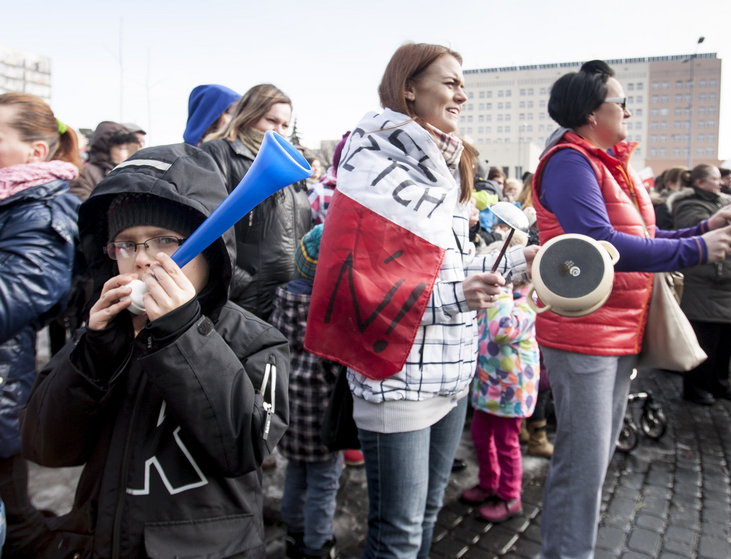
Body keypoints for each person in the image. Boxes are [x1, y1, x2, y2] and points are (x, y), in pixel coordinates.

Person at [305, 42, 537, 559]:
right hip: (397, 382)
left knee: (429, 513)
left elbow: (452, 273)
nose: (463, 93)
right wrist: (457, 296)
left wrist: (527, 262)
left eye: (463, 83)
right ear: (409, 87)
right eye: (450, 81)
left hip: (453, 373)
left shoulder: (449, 165)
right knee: (399, 532)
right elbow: (361, 283)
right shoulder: (371, 161)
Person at [21, 144, 291, 557]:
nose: (143, 260)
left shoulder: (255, 341)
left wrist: (181, 334)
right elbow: (46, 447)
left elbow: (244, 447)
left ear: (211, 249)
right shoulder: (103, 333)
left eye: (163, 240)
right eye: (126, 245)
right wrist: (94, 354)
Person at [533, 60, 731, 559]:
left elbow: (644, 239)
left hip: (614, 329)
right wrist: (698, 250)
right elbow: (602, 243)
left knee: (597, 459)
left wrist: (702, 229)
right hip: (585, 330)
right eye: (621, 101)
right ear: (592, 112)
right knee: (583, 464)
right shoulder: (571, 161)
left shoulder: (603, 162)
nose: (629, 110)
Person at [0, 92, 81, 557]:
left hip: (3, 386)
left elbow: (24, 292)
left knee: (18, 526)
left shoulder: (41, 210)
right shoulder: (13, 202)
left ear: (36, 152)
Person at [202, 83, 312, 319]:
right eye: (271, 121)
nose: (279, 131)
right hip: (243, 301)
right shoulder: (220, 154)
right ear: (248, 115)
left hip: (286, 299)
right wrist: (241, 283)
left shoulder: (289, 165)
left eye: (285, 124)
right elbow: (206, 225)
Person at [268, 224, 343, 559]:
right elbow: (336, 369)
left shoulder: (281, 302)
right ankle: (317, 544)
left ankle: (293, 533)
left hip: (290, 413)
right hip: (323, 419)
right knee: (324, 484)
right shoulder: (331, 311)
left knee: (295, 474)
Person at [460, 235, 539, 523]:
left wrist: (502, 292)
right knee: (481, 436)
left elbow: (502, 330)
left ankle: (510, 496)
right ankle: (489, 482)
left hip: (511, 389)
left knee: (506, 443)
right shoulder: (497, 301)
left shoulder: (528, 301)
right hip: (487, 385)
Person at [671, 164, 731, 405]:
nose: (721, 183)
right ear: (699, 183)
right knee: (704, 341)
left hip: (728, 287)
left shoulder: (721, 202)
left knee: (726, 341)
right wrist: (727, 212)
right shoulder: (689, 204)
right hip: (706, 287)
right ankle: (697, 387)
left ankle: (720, 383)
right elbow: (695, 229)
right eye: (715, 179)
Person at [69, 121, 140, 201]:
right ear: (106, 148)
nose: (127, 154)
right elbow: (82, 203)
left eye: (129, 149)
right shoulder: (85, 172)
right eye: (122, 149)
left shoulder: (129, 172)